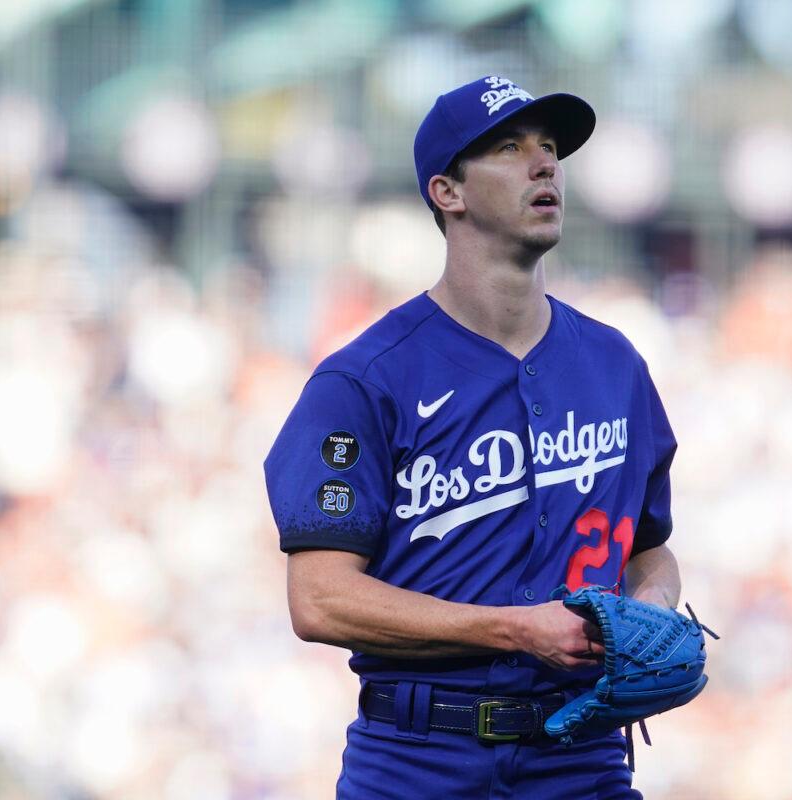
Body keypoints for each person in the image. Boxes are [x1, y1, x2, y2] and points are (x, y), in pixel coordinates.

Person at [264, 75, 681, 799]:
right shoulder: (365, 379)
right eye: (509, 147)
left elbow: (650, 549)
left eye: (550, 148)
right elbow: (320, 600)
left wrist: (654, 606)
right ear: (447, 192)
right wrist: (516, 630)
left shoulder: (616, 365)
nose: (544, 163)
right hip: (419, 758)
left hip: (580, 758)